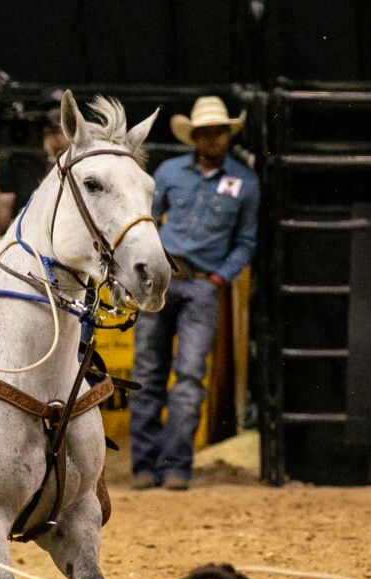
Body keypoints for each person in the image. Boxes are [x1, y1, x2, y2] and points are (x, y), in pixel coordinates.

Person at [129, 96, 259, 491]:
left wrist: (219, 278)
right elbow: (147, 220)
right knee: (149, 372)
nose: (212, 139)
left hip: (202, 284)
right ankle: (146, 465)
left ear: (226, 134)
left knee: (187, 375)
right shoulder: (169, 174)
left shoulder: (246, 183)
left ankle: (172, 465)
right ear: (196, 136)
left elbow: (245, 241)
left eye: (217, 132)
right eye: (205, 132)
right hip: (164, 278)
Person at [0, 106, 70, 237]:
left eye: (59, 130)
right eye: (48, 131)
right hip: (25, 246)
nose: (54, 137)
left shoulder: (81, 167)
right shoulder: (15, 164)